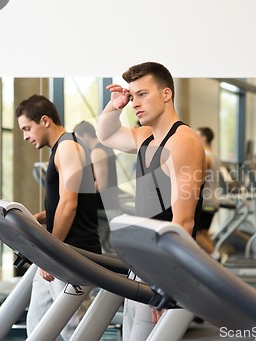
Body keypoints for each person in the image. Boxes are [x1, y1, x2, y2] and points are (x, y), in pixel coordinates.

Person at [96, 61, 205, 340]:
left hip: (161, 269)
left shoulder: (182, 141)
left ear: (166, 94)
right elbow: (106, 134)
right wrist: (116, 105)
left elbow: (183, 221)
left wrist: (165, 285)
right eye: (133, 97)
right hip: (141, 264)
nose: (135, 103)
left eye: (142, 94)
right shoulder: (146, 137)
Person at [16, 95, 101, 340]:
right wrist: (43, 216)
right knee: (38, 328)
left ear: (45, 120)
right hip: (59, 254)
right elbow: (66, 201)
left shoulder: (67, 146)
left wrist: (49, 254)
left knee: (76, 332)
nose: (24, 136)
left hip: (72, 254)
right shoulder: (61, 148)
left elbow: (69, 203)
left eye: (27, 128)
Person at [74, 120, 121, 253]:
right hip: (110, 207)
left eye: (79, 139)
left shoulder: (97, 152)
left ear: (86, 136)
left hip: (104, 209)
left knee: (105, 252)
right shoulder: (105, 148)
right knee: (109, 250)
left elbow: (101, 184)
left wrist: (77, 194)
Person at [196, 127, 222, 260]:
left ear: (204, 138)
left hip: (206, 201)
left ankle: (216, 257)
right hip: (212, 200)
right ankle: (213, 259)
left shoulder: (205, 155)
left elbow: (197, 177)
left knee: (197, 233)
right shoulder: (213, 154)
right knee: (204, 233)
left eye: (197, 135)